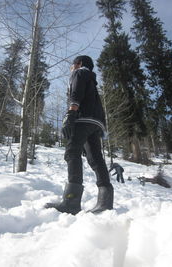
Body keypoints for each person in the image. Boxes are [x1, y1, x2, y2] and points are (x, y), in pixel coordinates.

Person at [45, 55, 114, 215]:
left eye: (72, 64)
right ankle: (105, 203)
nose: (71, 67)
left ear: (80, 63)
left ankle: (71, 202)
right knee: (95, 159)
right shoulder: (92, 81)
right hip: (95, 123)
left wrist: (70, 114)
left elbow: (76, 93)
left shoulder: (79, 73)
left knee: (72, 153)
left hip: (82, 119)